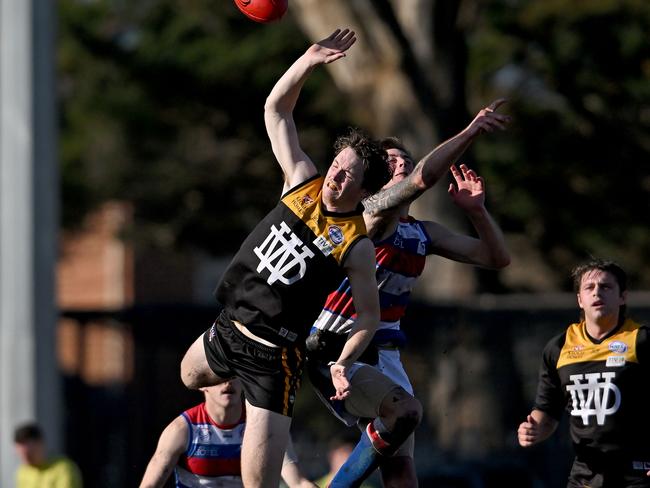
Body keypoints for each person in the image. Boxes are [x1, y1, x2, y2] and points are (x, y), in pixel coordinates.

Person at [179, 28, 391, 488]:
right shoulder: (301, 180)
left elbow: (368, 318)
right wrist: (308, 61)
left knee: (257, 483)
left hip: (275, 361)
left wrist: (343, 362)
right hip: (230, 326)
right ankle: (246, 420)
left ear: (365, 190)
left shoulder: (355, 245)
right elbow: (275, 110)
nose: (337, 176)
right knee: (188, 375)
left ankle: (275, 444)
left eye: (350, 175)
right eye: (339, 165)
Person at [307, 102, 511, 487]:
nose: (400, 164)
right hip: (338, 346)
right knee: (406, 412)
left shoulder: (422, 233)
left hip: (384, 352)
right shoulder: (368, 216)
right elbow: (421, 178)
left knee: (401, 469)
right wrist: (470, 132)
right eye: (391, 162)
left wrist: (478, 212)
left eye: (405, 158)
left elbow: (496, 258)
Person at [518, 259, 650, 488]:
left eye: (606, 287)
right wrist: (534, 429)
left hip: (637, 474)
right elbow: (547, 412)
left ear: (622, 297)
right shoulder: (558, 348)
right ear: (580, 299)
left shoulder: (641, 340)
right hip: (585, 476)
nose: (597, 292)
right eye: (589, 288)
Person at [139, 379, 315, 488]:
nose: (227, 382)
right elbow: (150, 485)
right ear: (202, 384)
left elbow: (298, 482)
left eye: (233, 374)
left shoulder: (267, 427)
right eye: (219, 376)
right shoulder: (181, 429)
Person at [14, 422, 83, 488]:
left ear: (40, 444)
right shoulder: (23, 471)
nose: (26, 459)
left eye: (29, 453)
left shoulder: (64, 468)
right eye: (21, 455)